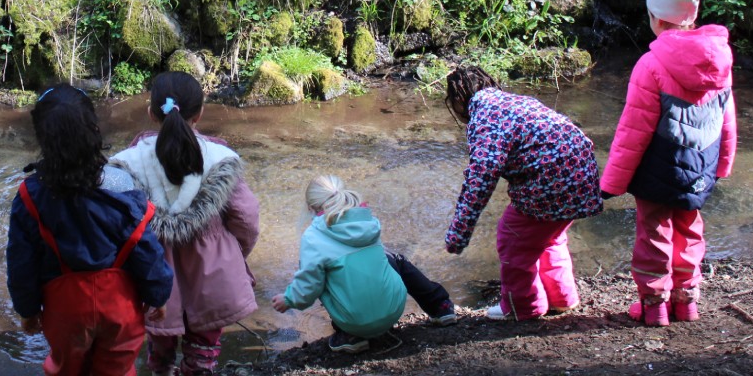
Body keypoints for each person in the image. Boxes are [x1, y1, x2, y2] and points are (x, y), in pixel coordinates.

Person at [6, 84, 173, 376]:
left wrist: (28, 310)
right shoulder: (122, 186)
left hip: (64, 312)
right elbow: (146, 250)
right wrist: (158, 295)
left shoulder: (29, 196)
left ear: (42, 137)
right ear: (93, 130)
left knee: (66, 369)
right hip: (120, 309)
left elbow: (21, 263)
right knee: (118, 369)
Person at [601, 0, 737, 327]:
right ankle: (687, 303)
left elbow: (633, 130)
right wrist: (722, 165)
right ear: (692, 17)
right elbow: (727, 120)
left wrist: (612, 183)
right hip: (701, 166)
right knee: (691, 232)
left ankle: (654, 306)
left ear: (657, 19)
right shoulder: (721, 58)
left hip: (657, 170)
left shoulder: (652, 64)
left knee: (653, 234)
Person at [110, 72, 260, 376]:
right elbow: (246, 218)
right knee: (205, 337)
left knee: (160, 333)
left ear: (151, 113)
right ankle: (197, 369)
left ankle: (161, 369)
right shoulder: (222, 160)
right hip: (213, 270)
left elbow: (114, 227)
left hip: (154, 271)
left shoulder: (125, 164)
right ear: (200, 113)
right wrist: (235, 253)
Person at [443, 65, 603, 321]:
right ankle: (563, 299)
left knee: (513, 239)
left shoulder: (484, 117)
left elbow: (480, 178)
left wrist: (458, 235)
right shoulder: (516, 101)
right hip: (582, 171)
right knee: (550, 237)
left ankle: (523, 307)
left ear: (459, 99)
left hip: (551, 180)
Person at [271, 175, 456, 355]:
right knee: (393, 258)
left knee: (322, 274)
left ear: (311, 207)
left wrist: (289, 299)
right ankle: (440, 306)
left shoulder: (313, 237)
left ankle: (350, 336)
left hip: (354, 322)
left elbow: (308, 286)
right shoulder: (367, 219)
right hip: (394, 309)